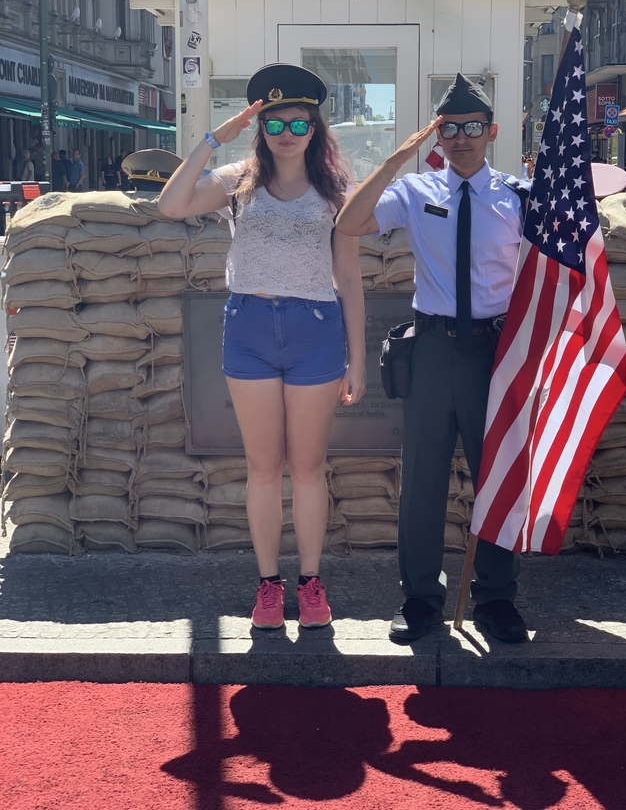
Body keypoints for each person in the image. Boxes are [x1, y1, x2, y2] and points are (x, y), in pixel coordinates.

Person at [158, 63, 366, 630]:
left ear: (316, 129)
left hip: (315, 330)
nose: (287, 134)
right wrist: (209, 140)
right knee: (262, 466)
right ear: (260, 127)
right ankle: (269, 586)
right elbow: (171, 206)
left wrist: (358, 359)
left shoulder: (336, 192)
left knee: (307, 466)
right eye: (275, 123)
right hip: (248, 326)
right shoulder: (238, 179)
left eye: (299, 124)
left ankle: (313, 584)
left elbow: (348, 278)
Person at [337, 72, 528, 645]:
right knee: (422, 478)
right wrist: (398, 158)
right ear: (436, 137)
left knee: (497, 479)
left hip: (494, 352)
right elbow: (349, 222)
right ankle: (420, 597)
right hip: (433, 350)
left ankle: (497, 598)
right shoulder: (417, 192)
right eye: (449, 129)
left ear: (491, 132)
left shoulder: (518, 196)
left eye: (472, 127)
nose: (462, 138)